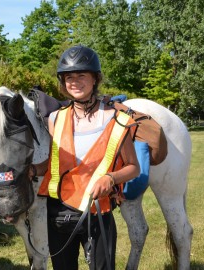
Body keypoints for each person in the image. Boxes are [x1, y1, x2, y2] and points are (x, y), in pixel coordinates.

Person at [30, 45, 140, 269]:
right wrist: (29, 170)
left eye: (82, 75)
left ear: (95, 79)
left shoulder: (116, 120)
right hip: (59, 213)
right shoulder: (54, 119)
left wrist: (110, 178)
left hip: (98, 211)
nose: (75, 82)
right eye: (69, 77)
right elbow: (55, 163)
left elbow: (133, 167)